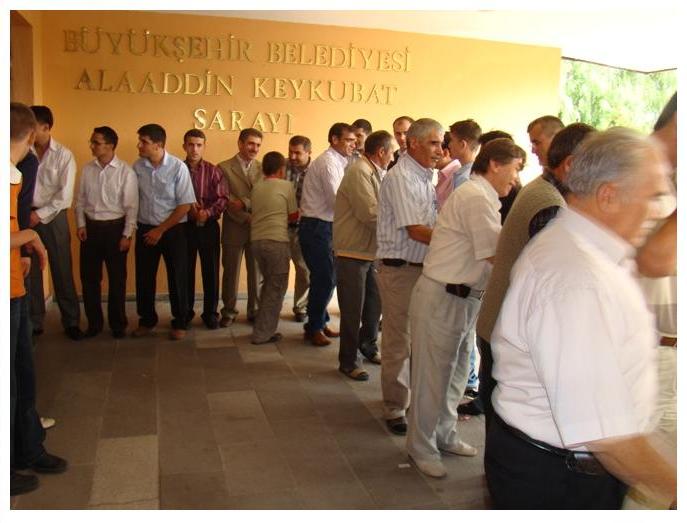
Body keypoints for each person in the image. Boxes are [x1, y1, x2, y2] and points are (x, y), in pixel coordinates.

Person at [486, 128, 676, 509]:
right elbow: (607, 436)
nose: (660, 210)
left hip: (567, 469)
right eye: (652, 196)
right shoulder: (576, 278)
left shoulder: (593, 251)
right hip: (560, 483)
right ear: (608, 196)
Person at [406, 139, 525, 478]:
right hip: (443, 297)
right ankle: (421, 447)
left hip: (463, 298)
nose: (516, 178)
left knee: (456, 375)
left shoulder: (484, 197)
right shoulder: (475, 197)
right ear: (495, 164)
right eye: (515, 169)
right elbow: (496, 254)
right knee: (432, 378)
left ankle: (444, 434)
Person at [467, 123, 596, 422]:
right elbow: (552, 284)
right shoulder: (549, 204)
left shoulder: (543, 190)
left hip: (501, 323)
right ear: (571, 164)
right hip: (511, 331)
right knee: (508, 424)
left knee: (500, 419)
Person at [10, 102, 68, 497]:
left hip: (15, 286)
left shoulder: (14, 174)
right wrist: (29, 238)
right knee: (11, 383)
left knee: (24, 377)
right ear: (32, 135)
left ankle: (28, 449)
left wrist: (22, 251)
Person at [376, 118, 442, 435]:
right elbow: (416, 230)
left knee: (416, 340)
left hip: (419, 269)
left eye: (441, 143)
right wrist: (459, 240)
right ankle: (394, 407)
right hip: (400, 270)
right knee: (398, 342)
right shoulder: (402, 177)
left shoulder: (424, 177)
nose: (439, 150)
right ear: (413, 143)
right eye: (433, 143)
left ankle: (409, 400)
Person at [333, 130, 394, 380]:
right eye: (391, 153)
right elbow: (370, 213)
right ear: (381, 152)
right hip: (352, 251)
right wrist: (403, 227)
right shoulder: (359, 171)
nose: (393, 158)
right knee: (352, 310)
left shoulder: (374, 171)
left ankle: (368, 346)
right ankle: (349, 361)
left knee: (373, 305)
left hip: (370, 251)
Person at [132, 123, 196, 340]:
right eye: (140, 141)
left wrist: (161, 229)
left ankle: (180, 322)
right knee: (144, 277)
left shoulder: (178, 167)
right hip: (145, 228)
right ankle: (147, 320)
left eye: (144, 142)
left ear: (158, 145)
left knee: (178, 276)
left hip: (173, 230)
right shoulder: (137, 167)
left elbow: (185, 205)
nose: (139, 145)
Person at [75, 126, 138, 338]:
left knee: (117, 279)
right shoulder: (87, 169)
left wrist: (127, 235)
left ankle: (118, 324)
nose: (92, 146)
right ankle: (94, 323)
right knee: (89, 279)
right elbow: (80, 201)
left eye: (96, 142)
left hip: (115, 229)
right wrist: (81, 225)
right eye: (92, 142)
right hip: (91, 230)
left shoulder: (125, 172)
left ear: (110, 146)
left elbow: (131, 207)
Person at [27, 105, 83, 340]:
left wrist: (39, 214)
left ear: (46, 127)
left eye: (32, 126)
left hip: (54, 217)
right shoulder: (22, 151)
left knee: (62, 269)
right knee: (30, 271)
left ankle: (71, 321)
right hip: (26, 217)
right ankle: (34, 321)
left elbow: (65, 196)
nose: (28, 131)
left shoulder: (63, 155)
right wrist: (27, 215)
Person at [299, 122, 356, 346]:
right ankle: (314, 327)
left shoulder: (338, 161)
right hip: (317, 227)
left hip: (324, 226)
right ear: (334, 139)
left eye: (354, 141)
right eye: (348, 140)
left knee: (326, 278)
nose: (353, 145)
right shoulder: (329, 163)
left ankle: (319, 322)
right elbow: (337, 201)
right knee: (324, 278)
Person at [182, 129, 230, 330]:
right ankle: (185, 313)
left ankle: (210, 313)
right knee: (184, 271)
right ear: (184, 146)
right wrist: (188, 210)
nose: (195, 149)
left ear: (204, 147)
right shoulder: (177, 169)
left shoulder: (213, 171)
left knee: (210, 271)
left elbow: (223, 198)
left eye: (199, 145)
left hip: (208, 226)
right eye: (191, 144)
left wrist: (207, 212)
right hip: (184, 226)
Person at [249, 152, 299, 344]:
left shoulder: (257, 187)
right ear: (281, 169)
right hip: (276, 241)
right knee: (276, 288)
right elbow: (293, 216)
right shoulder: (286, 186)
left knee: (269, 284)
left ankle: (261, 327)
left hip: (256, 241)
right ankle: (262, 334)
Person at [218, 128, 264, 326]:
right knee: (231, 273)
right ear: (240, 143)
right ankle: (228, 312)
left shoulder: (263, 168)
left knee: (256, 273)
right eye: (251, 143)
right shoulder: (223, 167)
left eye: (258, 145)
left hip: (257, 227)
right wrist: (246, 216)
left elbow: (263, 195)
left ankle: (255, 311)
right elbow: (225, 199)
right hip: (234, 227)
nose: (255, 148)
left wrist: (244, 202)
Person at [285, 135, 312, 322]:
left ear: (309, 153)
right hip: (280, 226)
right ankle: (268, 308)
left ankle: (301, 307)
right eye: (290, 152)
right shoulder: (282, 166)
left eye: (297, 153)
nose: (293, 156)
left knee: (303, 270)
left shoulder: (316, 170)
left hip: (303, 228)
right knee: (276, 270)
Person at [434, 131, 462, 209]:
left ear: (445, 153)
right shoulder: (443, 172)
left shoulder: (457, 175)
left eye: (434, 153)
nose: (428, 156)